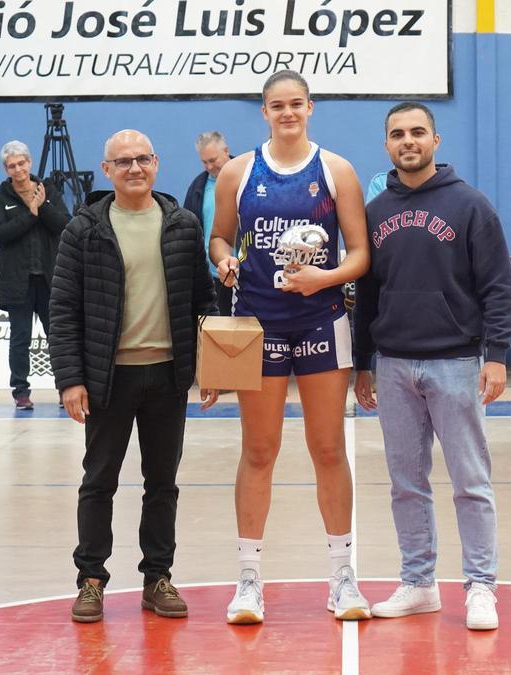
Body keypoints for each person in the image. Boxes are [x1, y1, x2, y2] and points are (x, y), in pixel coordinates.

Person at [209, 70, 371, 625]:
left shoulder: (336, 170)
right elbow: (218, 237)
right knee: (259, 450)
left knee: (328, 448)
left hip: (322, 320)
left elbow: (359, 255)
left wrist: (322, 279)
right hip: (259, 323)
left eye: (296, 104)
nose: (287, 113)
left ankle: (342, 575)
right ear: (263, 112)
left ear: (310, 107)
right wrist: (224, 259)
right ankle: (249, 580)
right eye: (276, 105)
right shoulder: (238, 170)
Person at [354, 101, 511, 631]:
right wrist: (362, 363)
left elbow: (497, 285)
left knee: (471, 480)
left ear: (435, 140)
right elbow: (368, 294)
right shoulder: (375, 211)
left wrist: (497, 355)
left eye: (417, 132)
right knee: (406, 483)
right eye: (398, 134)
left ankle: (481, 586)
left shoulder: (470, 205)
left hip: (456, 362)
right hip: (395, 364)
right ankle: (419, 582)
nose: (408, 141)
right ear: (386, 146)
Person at [48, 129, 217, 623]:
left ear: (157, 162)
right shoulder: (85, 229)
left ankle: (157, 578)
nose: (134, 169)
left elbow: (202, 302)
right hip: (108, 379)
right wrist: (70, 379)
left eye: (143, 159)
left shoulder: (182, 225)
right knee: (98, 482)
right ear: (107, 171)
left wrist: (209, 366)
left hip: (167, 377)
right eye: (123, 162)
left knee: (162, 483)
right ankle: (91, 581)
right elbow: (62, 308)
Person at [0, 140, 72, 410]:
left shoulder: (48, 190)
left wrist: (42, 205)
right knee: (20, 339)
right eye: (12, 166)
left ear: (30, 162)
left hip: (50, 280)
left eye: (22, 163)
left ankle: (65, 388)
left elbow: (64, 225)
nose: (18, 169)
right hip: (17, 282)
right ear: (6, 169)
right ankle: (21, 392)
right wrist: (29, 215)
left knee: (57, 337)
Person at [184, 131, 235, 315]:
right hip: (213, 275)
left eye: (213, 160)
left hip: (247, 274)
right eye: (204, 162)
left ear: (226, 151)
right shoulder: (197, 187)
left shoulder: (249, 177)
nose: (209, 166)